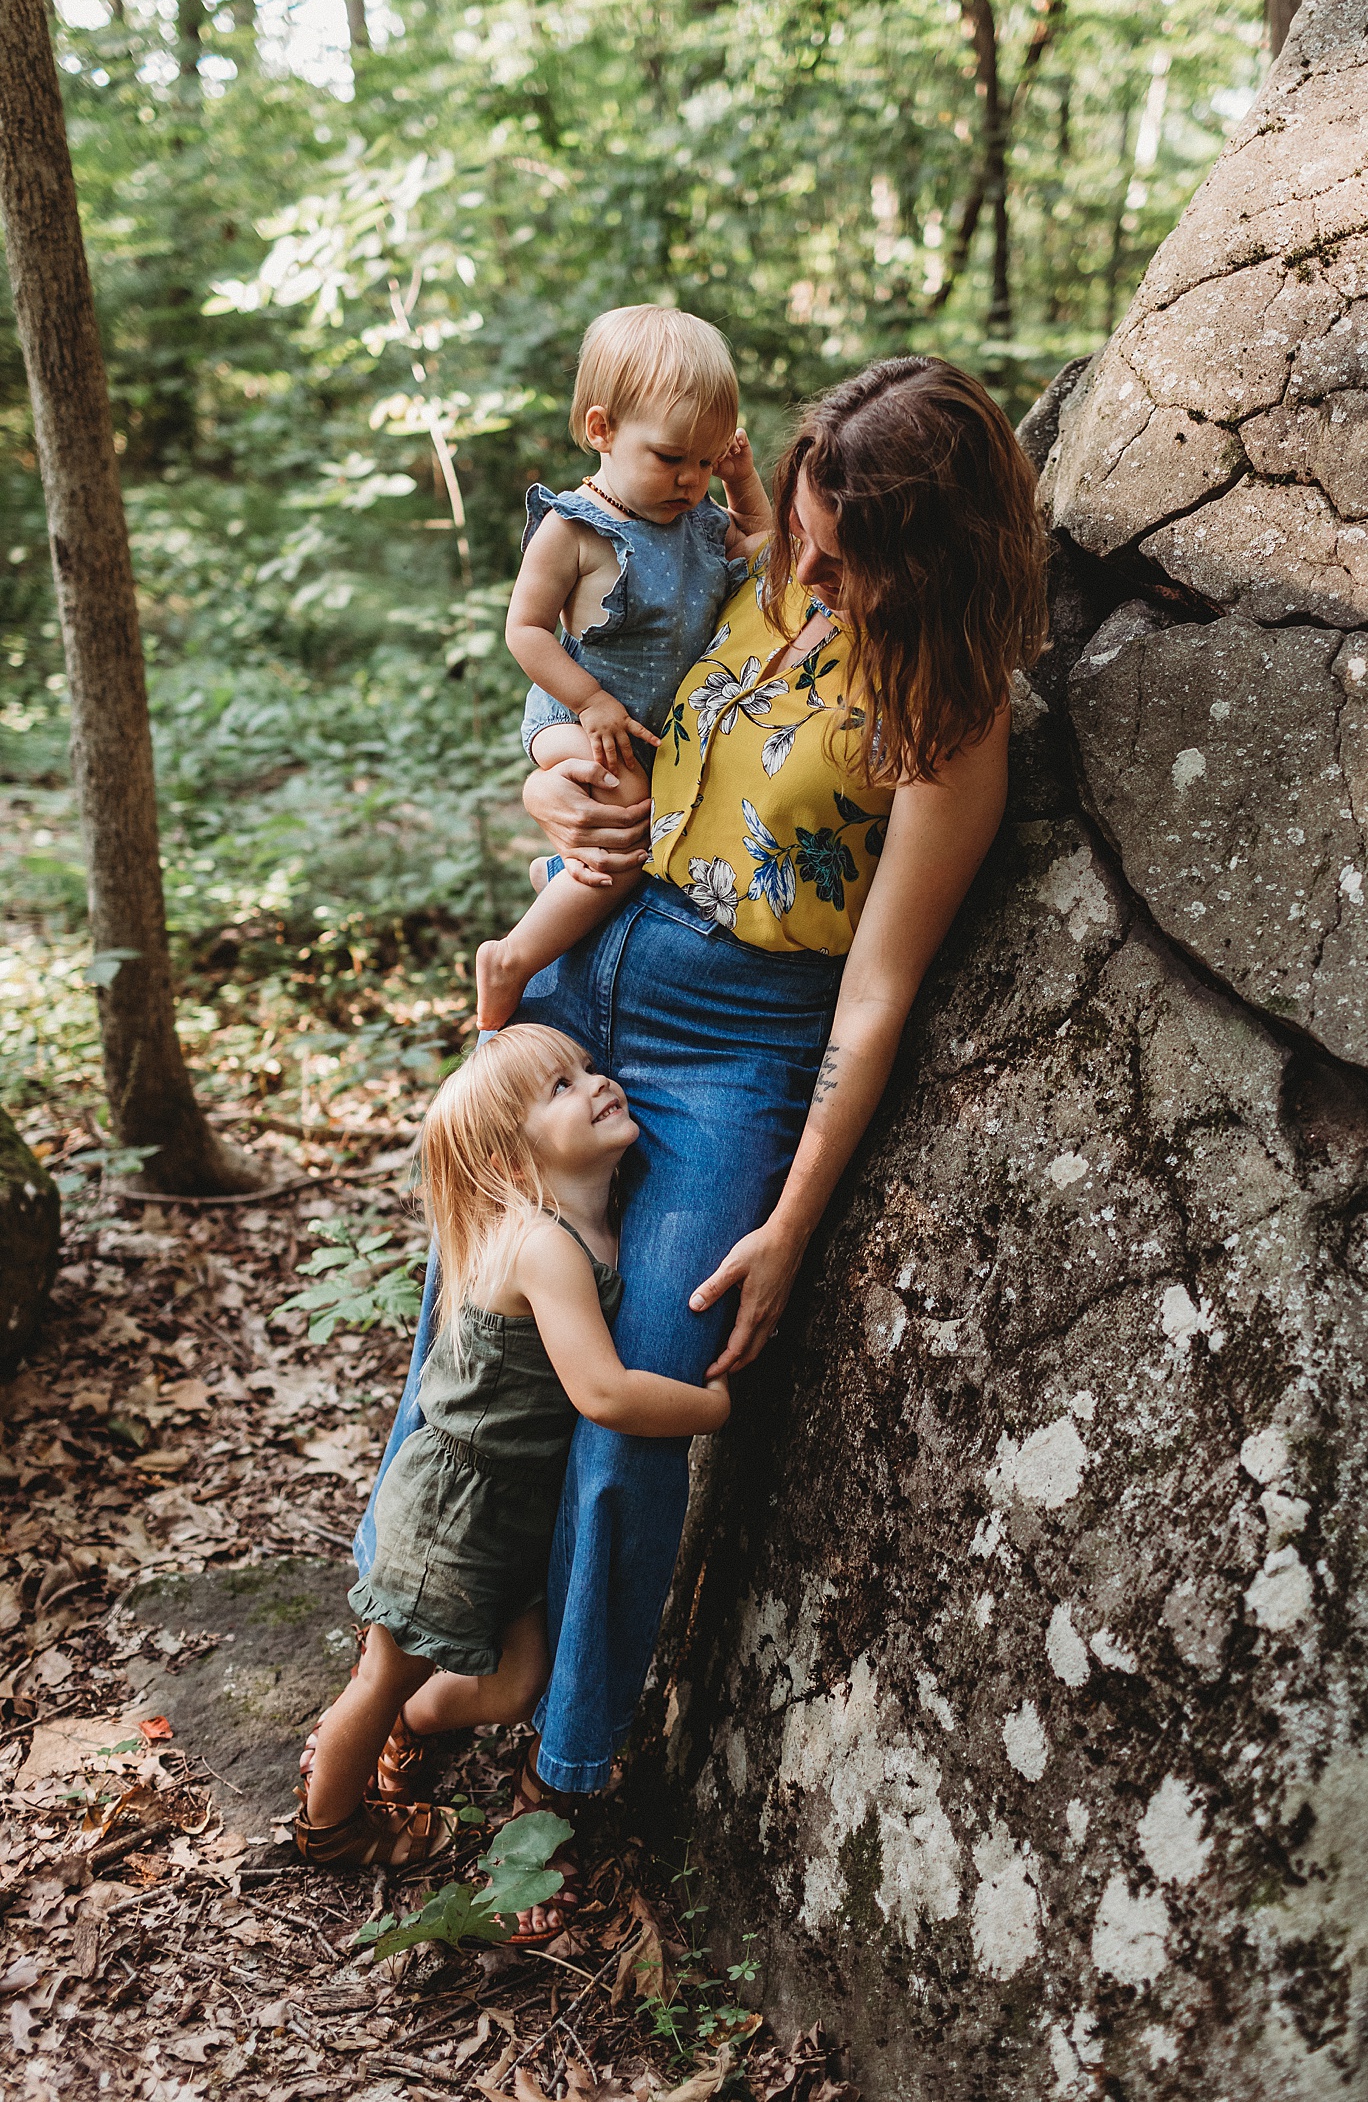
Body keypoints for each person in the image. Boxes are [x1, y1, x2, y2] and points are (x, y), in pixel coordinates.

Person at [361, 355, 1048, 1927]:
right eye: (800, 524)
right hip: (588, 976)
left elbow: (871, 1000)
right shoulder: (748, 563)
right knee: (471, 1323)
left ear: (931, 557)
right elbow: (605, 708)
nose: (806, 567)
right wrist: (557, 776)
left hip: (738, 1047)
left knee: (635, 1411)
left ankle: (571, 1777)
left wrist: (794, 1219)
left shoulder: (949, 722)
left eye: (843, 551)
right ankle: (409, 1655)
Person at [297, 1025, 728, 1869]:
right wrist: (711, 1408)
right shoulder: (540, 1245)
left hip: (513, 1505)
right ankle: (332, 1825)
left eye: (587, 1068)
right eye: (559, 1089)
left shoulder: (597, 1219)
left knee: (519, 1682)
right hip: (454, 1510)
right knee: (382, 1674)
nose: (597, 1083)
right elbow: (602, 1392)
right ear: (510, 1158)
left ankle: (410, 1726)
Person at [483, 305, 773, 1029]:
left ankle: (558, 882)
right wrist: (588, 702)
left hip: (646, 726)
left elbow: (769, 546)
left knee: (633, 826)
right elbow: (525, 631)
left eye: (707, 460)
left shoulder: (704, 520)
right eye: (672, 458)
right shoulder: (576, 528)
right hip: (577, 713)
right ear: (602, 430)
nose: (689, 479)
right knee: (630, 827)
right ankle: (513, 959)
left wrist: (739, 483)